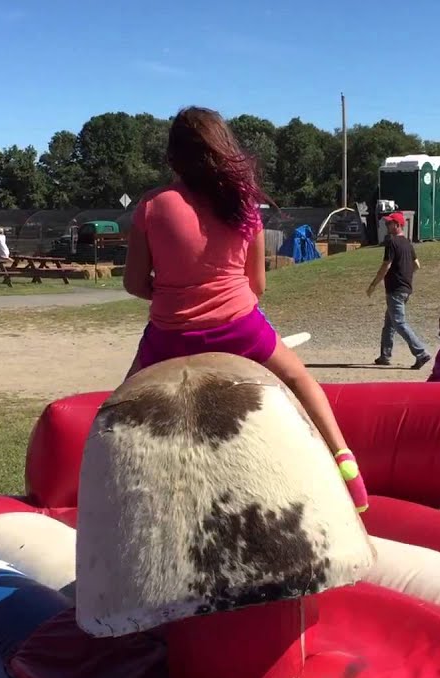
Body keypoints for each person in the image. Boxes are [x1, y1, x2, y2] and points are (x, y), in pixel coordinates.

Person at [122, 106, 368, 512]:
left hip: (169, 335)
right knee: (299, 378)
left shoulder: (152, 205)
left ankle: (95, 478)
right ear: (224, 149)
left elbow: (133, 283)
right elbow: (258, 285)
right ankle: (346, 465)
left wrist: (175, 295)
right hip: (239, 329)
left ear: (172, 157)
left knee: (120, 403)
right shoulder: (242, 205)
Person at [365, 211, 431, 370]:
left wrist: (373, 285)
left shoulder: (392, 242)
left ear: (397, 225)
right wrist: (405, 275)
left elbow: (386, 265)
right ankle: (385, 356)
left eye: (389, 223)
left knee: (399, 323)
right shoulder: (407, 243)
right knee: (389, 324)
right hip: (405, 289)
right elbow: (417, 265)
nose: (387, 225)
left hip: (395, 290)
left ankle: (421, 353)